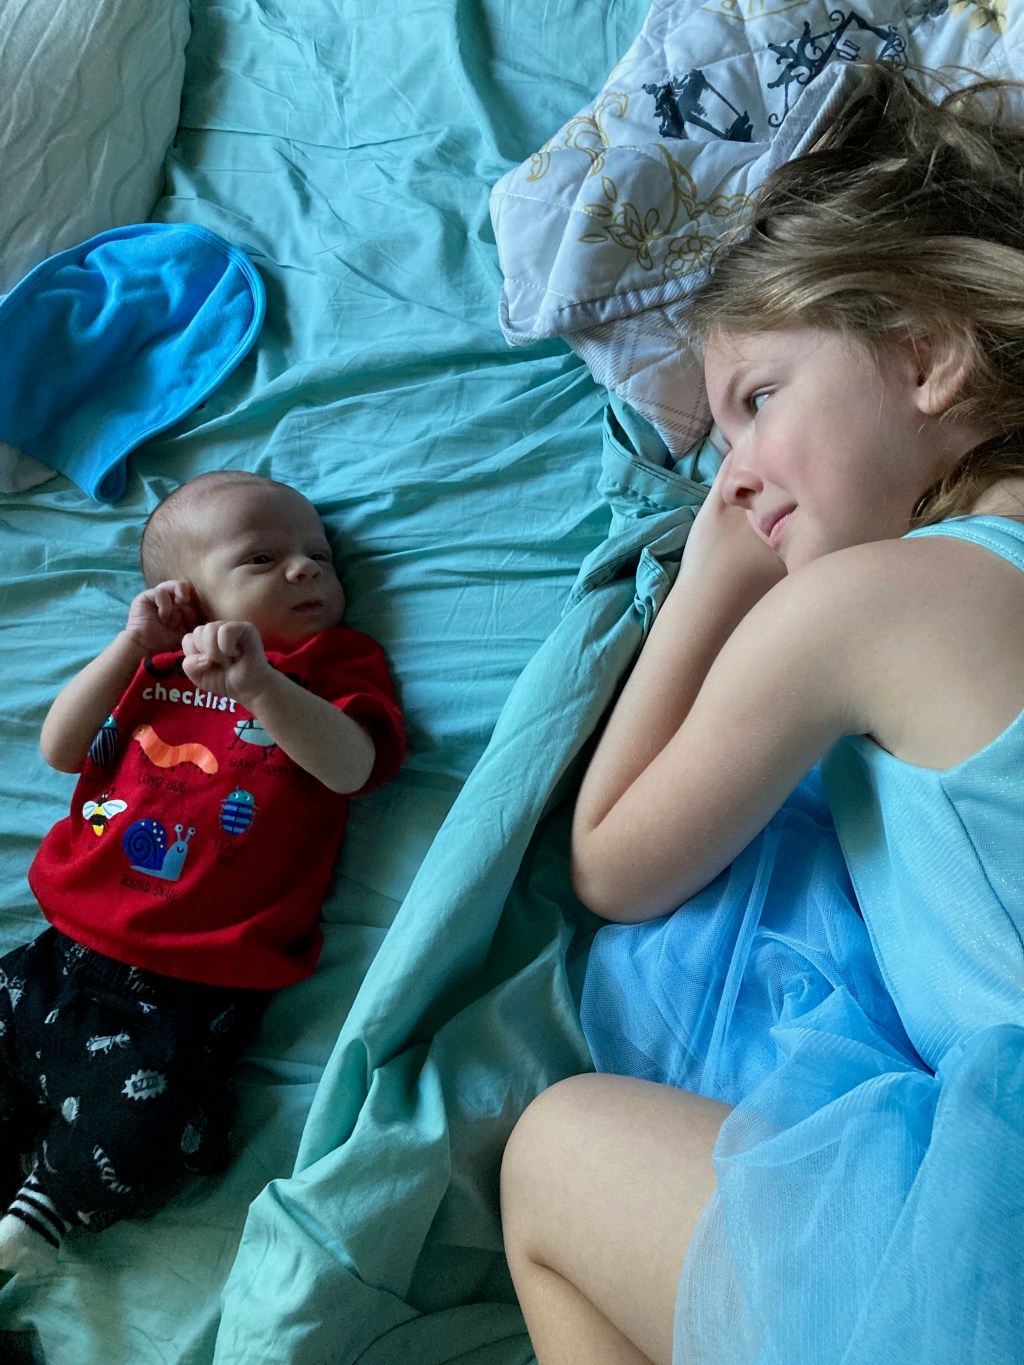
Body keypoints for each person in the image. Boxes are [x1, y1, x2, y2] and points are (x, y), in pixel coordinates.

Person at [500, 63, 1024, 1364]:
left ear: (927, 356)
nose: (727, 473)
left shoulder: (864, 604)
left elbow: (612, 862)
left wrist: (708, 581)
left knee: (552, 1156)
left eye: (759, 401)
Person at [0, 470, 405, 1273]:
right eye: (262, 558)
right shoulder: (150, 665)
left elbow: (352, 765)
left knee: (155, 1110)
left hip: (186, 987)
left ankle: (44, 1207)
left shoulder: (332, 664)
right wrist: (131, 645)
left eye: (320, 555)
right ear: (187, 598)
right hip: (60, 951)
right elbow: (60, 747)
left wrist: (260, 684)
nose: (307, 568)